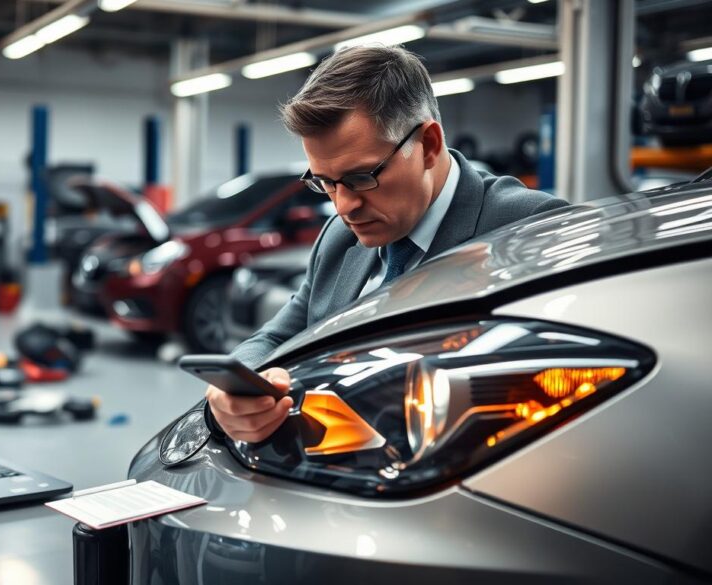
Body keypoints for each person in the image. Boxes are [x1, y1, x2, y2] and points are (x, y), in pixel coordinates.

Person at [206, 44, 569, 443]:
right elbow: (276, 338)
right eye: (326, 182)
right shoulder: (339, 240)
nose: (344, 206)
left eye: (362, 177)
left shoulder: (532, 231)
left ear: (429, 145)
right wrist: (236, 392)